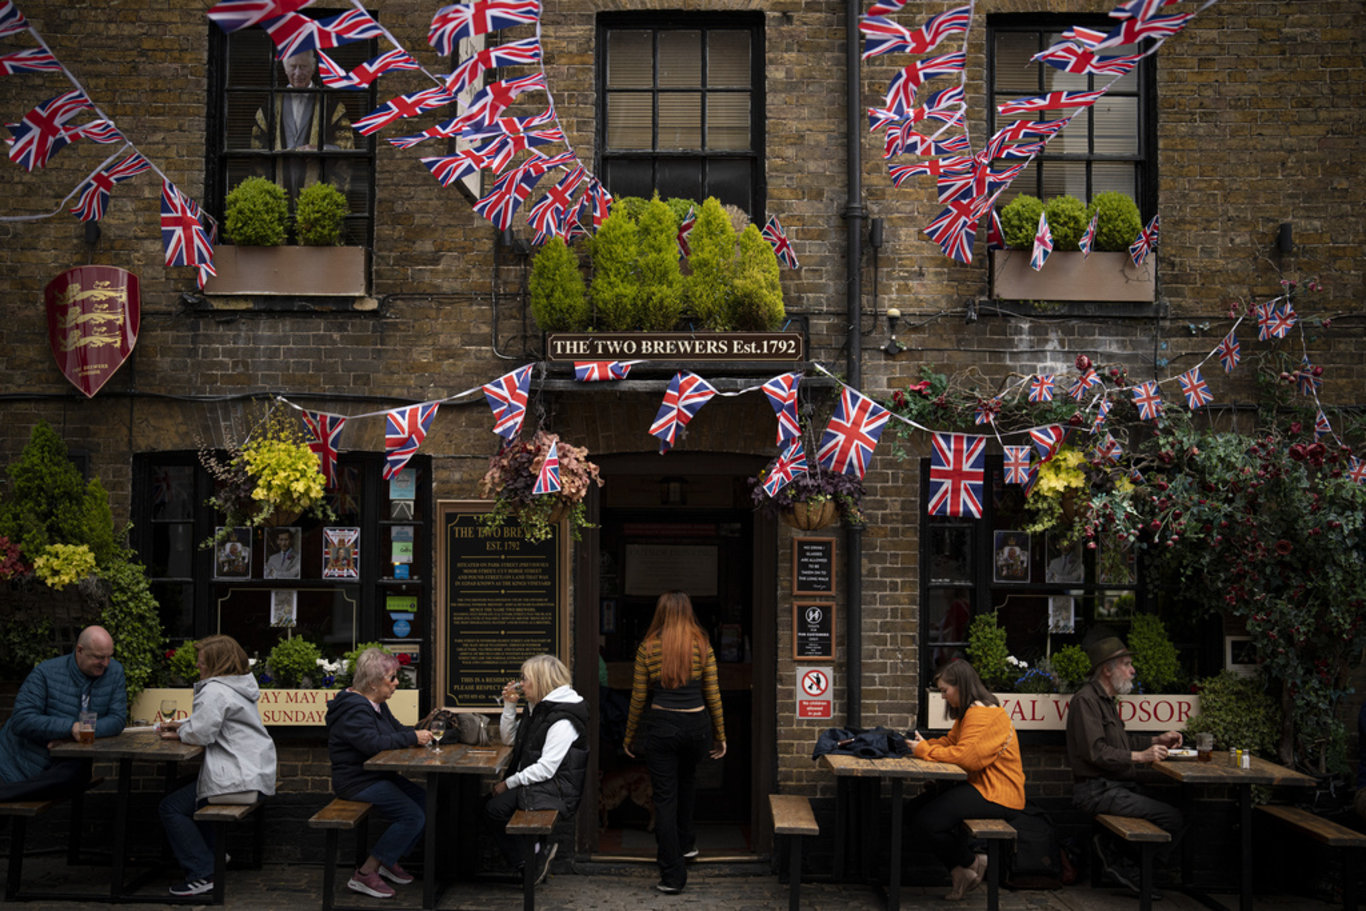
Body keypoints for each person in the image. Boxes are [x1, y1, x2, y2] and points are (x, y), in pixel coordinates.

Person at [157, 635, 277, 897]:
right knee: (184, 792)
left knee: (171, 807)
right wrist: (184, 725)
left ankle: (202, 872)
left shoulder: (215, 690)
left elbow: (201, 734)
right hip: (254, 770)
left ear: (217, 665)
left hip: (239, 776)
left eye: (202, 664)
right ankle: (212, 855)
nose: (198, 668)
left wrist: (182, 731)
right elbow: (210, 722)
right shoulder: (238, 686)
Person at [622, 591, 726, 895]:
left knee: (665, 798)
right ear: (689, 612)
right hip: (697, 726)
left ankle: (672, 875)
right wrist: (720, 734)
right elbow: (713, 693)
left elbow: (639, 697)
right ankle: (687, 843)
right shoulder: (702, 645)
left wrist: (629, 736)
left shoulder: (647, 647)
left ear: (661, 613)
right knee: (688, 782)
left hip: (662, 727)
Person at [1065, 634, 1184, 895]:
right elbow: (1095, 752)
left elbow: (1119, 742)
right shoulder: (1086, 701)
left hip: (1115, 786)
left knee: (1178, 806)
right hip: (1096, 790)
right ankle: (1127, 864)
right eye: (1127, 664)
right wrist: (1142, 757)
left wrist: (1155, 739)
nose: (1133, 670)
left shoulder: (1107, 701)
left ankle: (1119, 854)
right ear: (1107, 670)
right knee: (1172, 817)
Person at [908, 659, 1026, 900]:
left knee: (928, 820)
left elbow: (966, 758)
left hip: (999, 793)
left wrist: (923, 751)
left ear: (960, 685)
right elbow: (953, 743)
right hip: (981, 787)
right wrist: (924, 744)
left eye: (944, 691)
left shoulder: (982, 713)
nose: (943, 697)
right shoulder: (971, 713)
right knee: (912, 811)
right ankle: (960, 869)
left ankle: (970, 861)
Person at [326, 647, 433, 899]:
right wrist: (411, 737)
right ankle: (365, 873)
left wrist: (419, 735)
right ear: (373, 683)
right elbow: (372, 743)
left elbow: (395, 730)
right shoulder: (355, 708)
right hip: (356, 781)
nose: (396, 683)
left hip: (376, 776)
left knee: (426, 801)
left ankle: (388, 859)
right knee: (411, 816)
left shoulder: (376, 704)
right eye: (392, 678)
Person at [485, 654, 589, 888]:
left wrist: (508, 783)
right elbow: (510, 739)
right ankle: (533, 856)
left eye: (525, 678)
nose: (520, 684)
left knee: (493, 809)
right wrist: (510, 706)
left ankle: (530, 862)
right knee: (485, 806)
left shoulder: (562, 719)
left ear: (542, 680)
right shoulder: (539, 709)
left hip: (557, 788)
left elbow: (546, 768)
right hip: (540, 783)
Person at [0, 625, 126, 800]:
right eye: (99, 657)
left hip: (66, 761)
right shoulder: (45, 672)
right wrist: (70, 727)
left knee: (77, 774)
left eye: (109, 657)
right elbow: (21, 720)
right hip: (20, 757)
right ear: (80, 650)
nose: (105, 664)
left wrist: (78, 732)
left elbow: (117, 719)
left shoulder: (115, 672)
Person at [251, 49, 354, 201]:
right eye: (293, 67)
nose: (298, 73)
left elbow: (347, 147)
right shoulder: (268, 109)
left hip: (318, 193)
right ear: (285, 69)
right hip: (278, 190)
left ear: (313, 68)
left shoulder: (332, 108)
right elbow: (256, 151)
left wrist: (321, 149)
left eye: (303, 67)